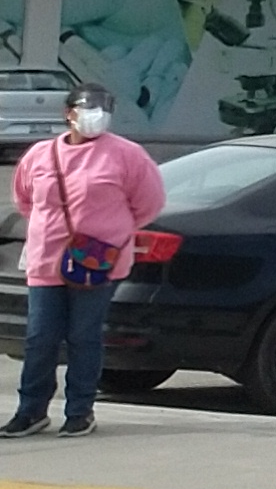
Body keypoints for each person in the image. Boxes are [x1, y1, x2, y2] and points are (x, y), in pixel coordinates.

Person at [12, 93, 166, 438]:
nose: (98, 117)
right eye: (89, 110)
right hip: (45, 260)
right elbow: (24, 198)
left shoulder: (126, 155)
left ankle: (79, 410)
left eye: (104, 110)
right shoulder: (41, 154)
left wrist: (110, 231)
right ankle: (30, 411)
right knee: (40, 337)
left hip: (97, 261)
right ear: (69, 113)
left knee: (83, 335)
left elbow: (149, 203)